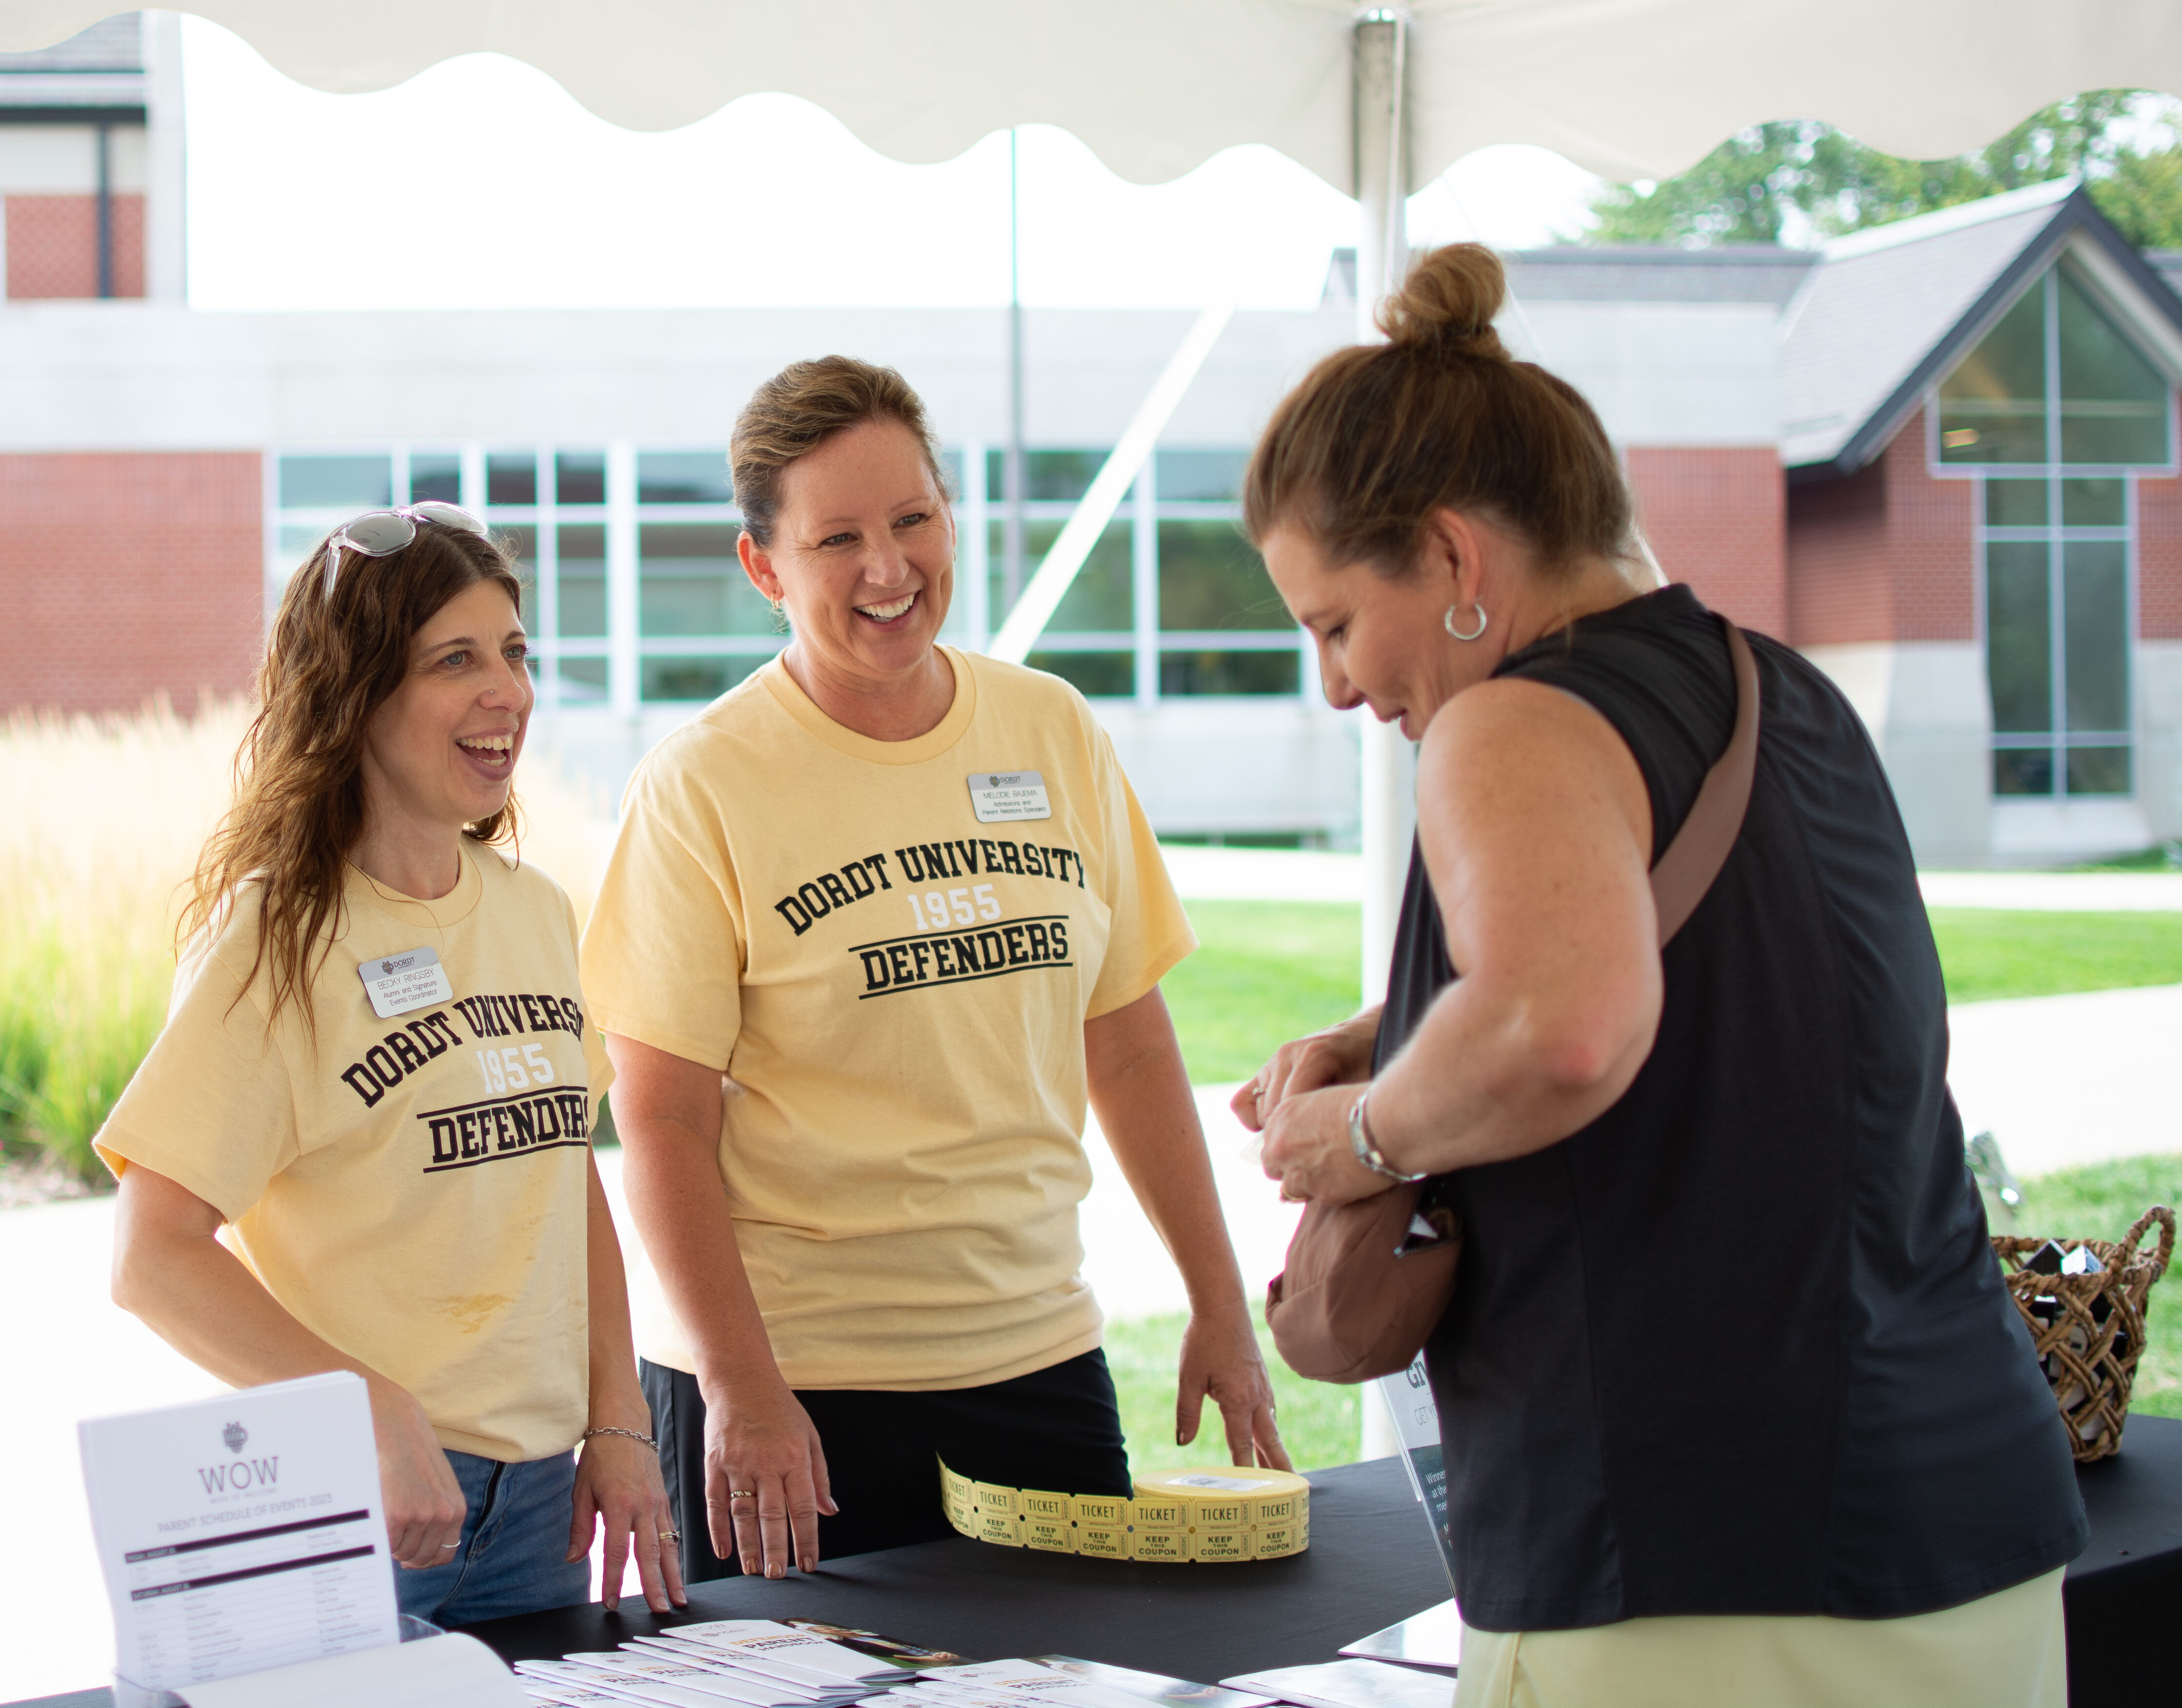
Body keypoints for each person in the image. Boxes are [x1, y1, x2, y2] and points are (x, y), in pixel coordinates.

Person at [1235, 244, 2082, 1708]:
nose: (1336, 685)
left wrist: (1358, 1130)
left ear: (1452, 558)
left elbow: (1569, 1027)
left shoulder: (1507, 723)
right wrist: (1404, 1023)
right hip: (1967, 1528)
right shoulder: (1788, 688)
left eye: (1330, 623)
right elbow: (1748, 987)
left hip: (1686, 1559)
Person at [580, 355, 1288, 1585]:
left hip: (1038, 1361)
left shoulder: (1053, 730)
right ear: (764, 567)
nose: (888, 568)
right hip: (800, 1392)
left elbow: (1126, 1041)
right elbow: (661, 1124)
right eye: (836, 538)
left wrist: (1218, 1300)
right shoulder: (702, 786)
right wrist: (745, 1390)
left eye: (914, 518)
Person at [95, 502, 685, 1625]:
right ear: (357, 692)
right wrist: (364, 1409)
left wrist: (619, 1419)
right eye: (453, 660)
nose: (505, 691)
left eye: (513, 653)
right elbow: (153, 1255)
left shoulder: (536, 912)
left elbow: (568, 1183)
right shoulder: (279, 940)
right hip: (376, 1510)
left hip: (546, 1507)